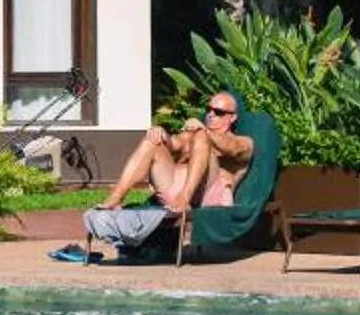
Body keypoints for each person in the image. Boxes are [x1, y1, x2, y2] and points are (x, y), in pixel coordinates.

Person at [52, 93, 255, 263]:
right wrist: (160, 133)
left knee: (202, 138)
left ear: (233, 118)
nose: (211, 115)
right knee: (152, 142)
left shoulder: (243, 142)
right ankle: (116, 196)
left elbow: (231, 149)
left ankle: (184, 198)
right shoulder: (194, 135)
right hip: (172, 190)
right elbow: (174, 145)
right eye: (209, 109)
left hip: (206, 198)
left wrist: (203, 133)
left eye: (218, 113)